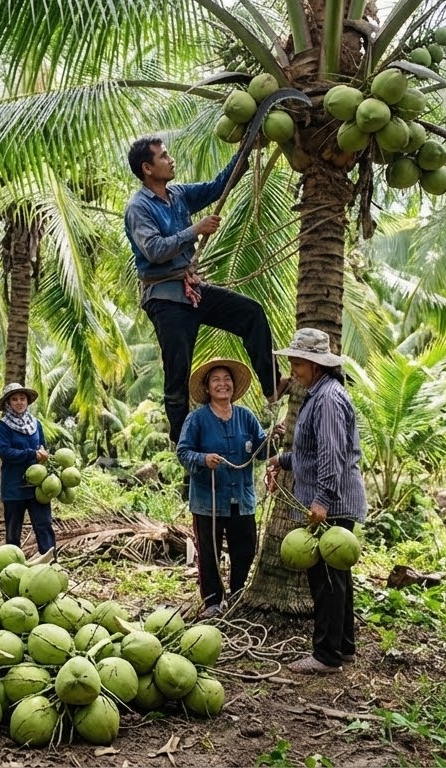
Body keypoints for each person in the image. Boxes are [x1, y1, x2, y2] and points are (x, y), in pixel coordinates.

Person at [123, 136, 280, 444]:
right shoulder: (138, 207)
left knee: (251, 313)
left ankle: (272, 383)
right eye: (164, 156)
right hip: (166, 298)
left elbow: (217, 187)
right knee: (177, 372)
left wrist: (244, 151)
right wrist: (196, 229)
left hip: (191, 289)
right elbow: (154, 250)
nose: (171, 160)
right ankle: (181, 439)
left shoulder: (178, 194)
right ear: (147, 168)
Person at [265, 329, 367, 673]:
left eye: (297, 362)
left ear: (315, 365)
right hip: (332, 498)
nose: (292, 368)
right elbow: (311, 453)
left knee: (325, 580)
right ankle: (344, 646)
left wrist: (322, 499)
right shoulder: (318, 394)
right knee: (336, 576)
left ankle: (326, 656)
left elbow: (333, 454)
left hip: (333, 501)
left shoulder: (326, 399)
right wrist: (282, 461)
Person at [177, 359, 282, 619]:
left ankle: (237, 594)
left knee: (245, 548)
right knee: (209, 553)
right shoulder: (197, 419)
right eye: (216, 380)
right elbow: (183, 452)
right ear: (207, 387)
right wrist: (203, 459)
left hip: (242, 498)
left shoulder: (246, 417)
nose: (222, 384)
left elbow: (262, 452)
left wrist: (272, 439)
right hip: (208, 500)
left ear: (234, 386)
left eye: (227, 379)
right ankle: (212, 602)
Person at [0, 382, 57, 555]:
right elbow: (5, 452)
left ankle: (51, 564)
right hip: (14, 488)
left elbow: (42, 448)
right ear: (8, 403)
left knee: (44, 525)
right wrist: (32, 454)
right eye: (14, 399)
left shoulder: (36, 424)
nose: (19, 402)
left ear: (28, 401)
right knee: (13, 532)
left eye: (22, 398)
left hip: (38, 488)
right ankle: (12, 567)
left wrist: (44, 456)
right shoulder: (3, 427)